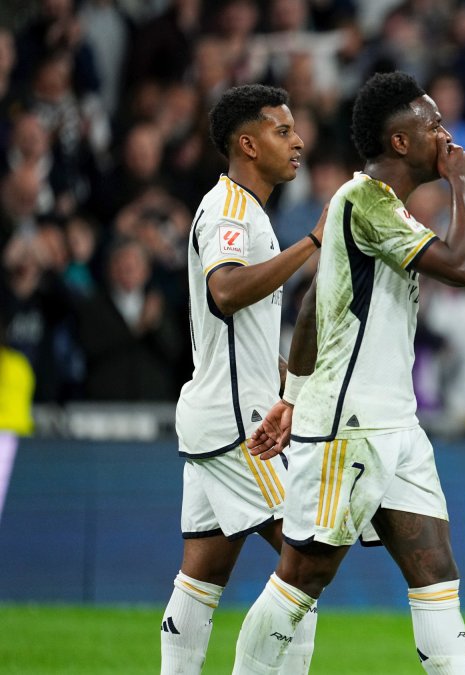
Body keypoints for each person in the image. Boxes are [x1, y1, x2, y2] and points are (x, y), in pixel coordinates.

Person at [232, 71, 465, 675]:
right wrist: (462, 188)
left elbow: (317, 300)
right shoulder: (362, 199)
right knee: (302, 578)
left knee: (436, 573)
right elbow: (463, 265)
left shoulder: (380, 209)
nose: (446, 138)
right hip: (348, 427)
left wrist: (290, 396)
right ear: (400, 142)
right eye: (433, 126)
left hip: (394, 423)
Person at [163, 84, 324, 674]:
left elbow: (242, 336)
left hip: (222, 410)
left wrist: (292, 381)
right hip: (238, 424)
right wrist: (312, 241)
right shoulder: (230, 210)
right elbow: (225, 291)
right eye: (283, 131)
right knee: (307, 565)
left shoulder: (248, 210)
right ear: (247, 143)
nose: (298, 141)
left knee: (201, 577)